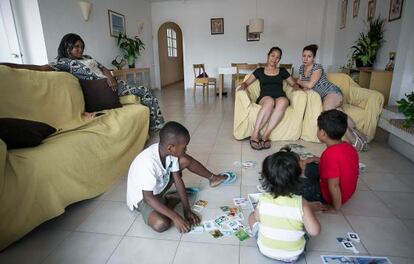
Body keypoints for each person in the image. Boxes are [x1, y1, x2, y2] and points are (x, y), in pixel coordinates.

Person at [1, 33, 164, 130]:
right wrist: (7, 64)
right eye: (77, 47)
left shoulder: (87, 57)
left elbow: (104, 68)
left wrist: (109, 76)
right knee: (144, 90)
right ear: (67, 47)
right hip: (100, 91)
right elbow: (41, 68)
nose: (81, 50)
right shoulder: (62, 62)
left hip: (111, 84)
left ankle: (154, 123)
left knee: (144, 90)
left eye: (82, 47)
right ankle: (157, 125)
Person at [126, 121, 229, 233]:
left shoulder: (169, 153)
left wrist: (187, 210)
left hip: (158, 187)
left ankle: (169, 200)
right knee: (161, 224)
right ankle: (169, 201)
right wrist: (175, 217)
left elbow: (177, 180)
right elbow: (148, 198)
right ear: (170, 148)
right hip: (143, 198)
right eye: (184, 147)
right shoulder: (148, 163)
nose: (186, 150)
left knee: (184, 159)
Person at [249, 149, 321, 262]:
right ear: (298, 180)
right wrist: (308, 211)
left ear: (267, 178)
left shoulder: (263, 199)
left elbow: (258, 218)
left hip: (265, 250)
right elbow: (314, 231)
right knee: (304, 227)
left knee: (252, 216)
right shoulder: (302, 204)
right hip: (294, 255)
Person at [295, 44, 367, 151]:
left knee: (328, 112)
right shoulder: (301, 68)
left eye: (309, 56)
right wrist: (299, 86)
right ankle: (359, 133)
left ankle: (353, 139)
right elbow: (304, 86)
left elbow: (309, 85)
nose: (305, 58)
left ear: (313, 58)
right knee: (338, 112)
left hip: (332, 92)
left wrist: (298, 81)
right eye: (304, 55)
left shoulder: (317, 67)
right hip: (325, 96)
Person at [238, 47, 298, 150]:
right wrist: (242, 87)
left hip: (279, 96)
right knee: (269, 101)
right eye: (273, 56)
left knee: (284, 101)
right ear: (268, 56)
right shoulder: (260, 71)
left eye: (278, 57)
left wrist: (297, 88)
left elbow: (293, 84)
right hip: (265, 97)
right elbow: (246, 83)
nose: (274, 59)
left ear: (279, 60)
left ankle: (266, 135)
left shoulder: (283, 71)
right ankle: (255, 134)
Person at [298, 110, 359, 211]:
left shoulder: (329, 155)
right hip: (348, 191)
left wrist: (335, 207)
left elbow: (334, 186)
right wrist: (318, 159)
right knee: (311, 165)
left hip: (331, 196)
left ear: (322, 133)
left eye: (318, 128)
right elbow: (340, 164)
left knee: (295, 186)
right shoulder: (348, 146)